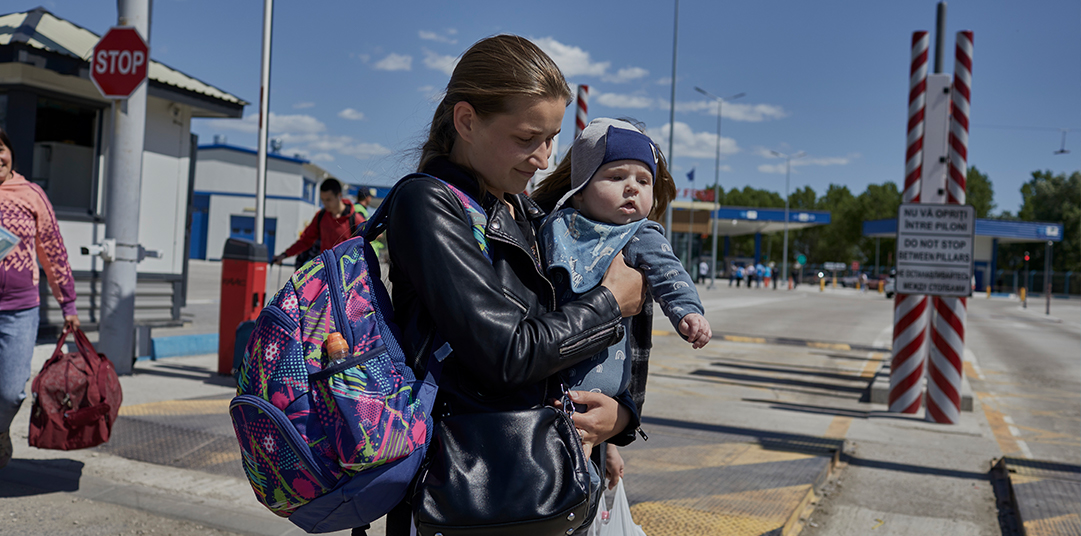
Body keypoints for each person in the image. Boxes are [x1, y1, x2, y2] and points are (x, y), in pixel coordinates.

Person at [381, 35, 646, 535]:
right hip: (469, 490)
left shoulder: (520, 210)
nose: (545, 158)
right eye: (528, 138)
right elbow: (508, 353)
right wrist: (609, 305)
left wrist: (619, 420)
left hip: (542, 483)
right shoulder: (427, 207)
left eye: (552, 139)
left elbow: (564, 341)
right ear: (466, 121)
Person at [532, 117, 711, 457]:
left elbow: (670, 275)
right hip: (545, 373)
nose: (632, 187)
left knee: (576, 468)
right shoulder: (550, 225)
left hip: (599, 387)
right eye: (616, 177)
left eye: (644, 181)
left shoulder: (640, 235)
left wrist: (688, 312)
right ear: (580, 192)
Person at [0, 127, 80, 469]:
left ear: (10, 152)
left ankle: (0, 431)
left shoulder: (31, 194)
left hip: (19, 310)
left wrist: (69, 303)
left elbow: (53, 249)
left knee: (9, 393)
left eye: (0, 148)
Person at [271, 178, 365, 265]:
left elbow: (367, 244)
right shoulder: (321, 216)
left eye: (328, 199)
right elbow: (305, 240)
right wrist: (285, 255)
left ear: (339, 196)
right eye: (323, 200)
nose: (325, 203)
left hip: (347, 274)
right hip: (327, 270)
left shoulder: (355, 219)